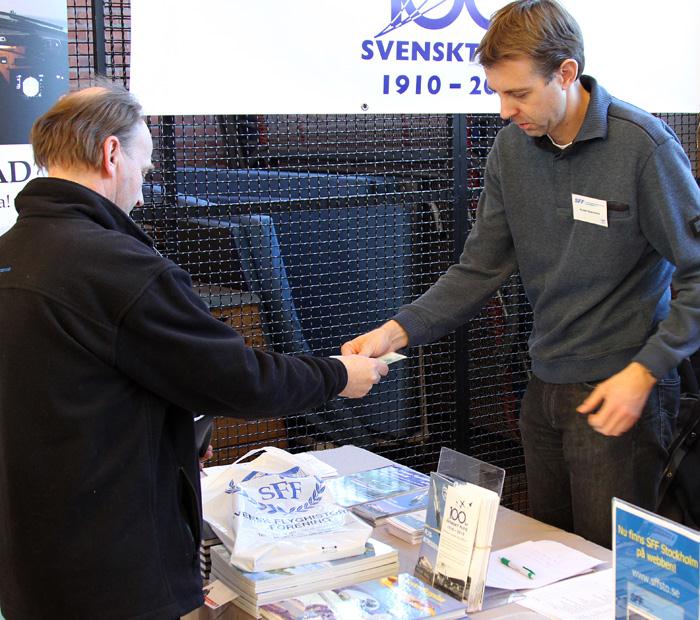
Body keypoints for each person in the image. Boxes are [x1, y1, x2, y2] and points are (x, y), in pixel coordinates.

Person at [0, 84, 389, 620]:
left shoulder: (13, 253)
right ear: (112, 153)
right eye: (144, 167)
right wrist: (337, 374)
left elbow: (84, 388)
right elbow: (239, 379)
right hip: (116, 570)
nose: (140, 191)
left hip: (32, 558)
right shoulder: (119, 267)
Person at [343, 0, 700, 548]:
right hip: (543, 385)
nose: (506, 110)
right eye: (498, 93)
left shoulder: (643, 148)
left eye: (519, 93)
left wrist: (646, 371)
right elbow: (479, 267)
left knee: (610, 566)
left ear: (566, 73)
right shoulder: (512, 148)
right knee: (553, 554)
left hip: (621, 391)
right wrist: (399, 331)